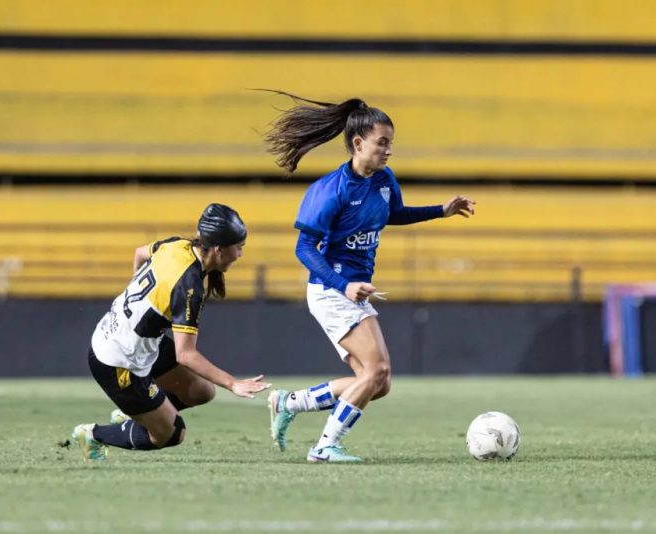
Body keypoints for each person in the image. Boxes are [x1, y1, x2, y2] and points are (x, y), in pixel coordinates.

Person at [262, 90, 476, 463]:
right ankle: (325, 446)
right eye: (382, 143)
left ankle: (289, 402)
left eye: (391, 143)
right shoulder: (330, 190)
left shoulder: (383, 179)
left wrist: (441, 211)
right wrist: (342, 284)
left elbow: (393, 213)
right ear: (358, 143)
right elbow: (304, 249)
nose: (389, 150)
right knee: (376, 371)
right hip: (332, 291)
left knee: (378, 382)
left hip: (355, 291)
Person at [71, 203, 270, 462]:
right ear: (220, 249)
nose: (240, 254)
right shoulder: (188, 287)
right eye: (239, 247)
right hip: (118, 362)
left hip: (134, 340)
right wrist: (233, 383)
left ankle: (138, 412)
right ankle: (93, 434)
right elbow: (185, 354)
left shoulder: (178, 245)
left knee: (201, 391)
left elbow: (140, 253)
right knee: (171, 434)